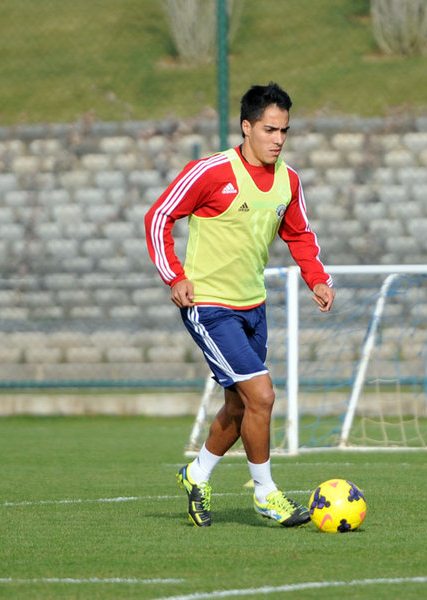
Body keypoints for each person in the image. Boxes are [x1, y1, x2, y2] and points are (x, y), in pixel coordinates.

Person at [145, 82, 335, 528]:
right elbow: (159, 216)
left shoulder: (288, 180)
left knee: (239, 405)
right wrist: (175, 275)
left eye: (284, 131)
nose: (278, 139)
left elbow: (299, 234)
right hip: (209, 306)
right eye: (270, 129)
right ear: (247, 127)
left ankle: (197, 474)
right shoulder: (211, 172)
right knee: (262, 394)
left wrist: (317, 278)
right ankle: (266, 494)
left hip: (254, 306)